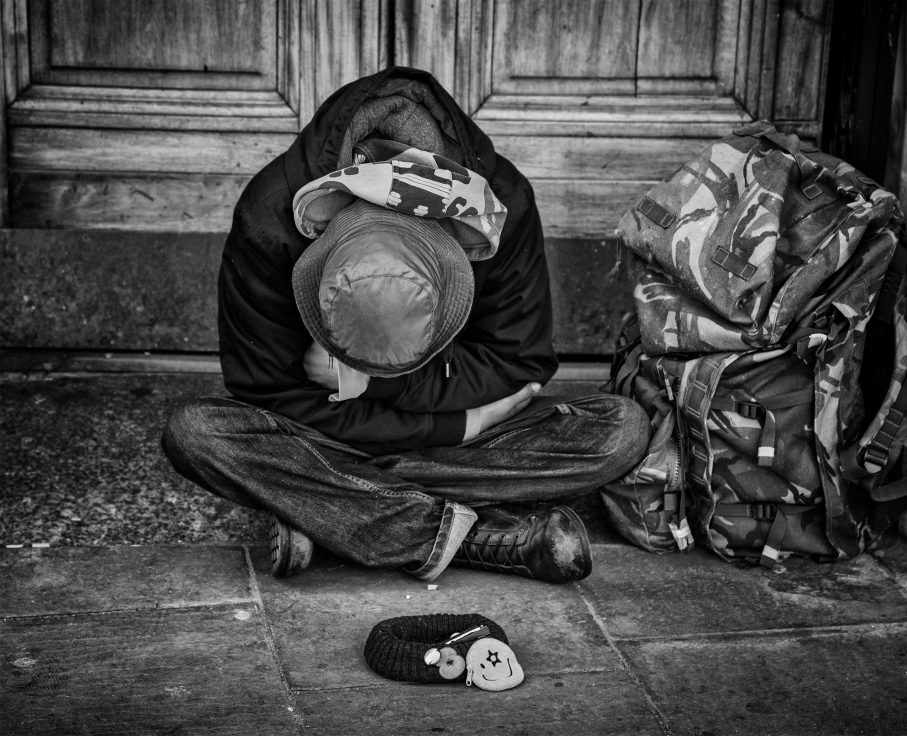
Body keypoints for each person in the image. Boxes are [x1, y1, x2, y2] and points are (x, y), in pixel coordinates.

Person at [162, 67, 649, 584]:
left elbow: (518, 363)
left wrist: (377, 381)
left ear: (457, 248)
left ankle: (333, 508)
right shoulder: (270, 218)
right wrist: (463, 424)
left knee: (619, 430)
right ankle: (463, 534)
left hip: (367, 437)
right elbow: (269, 393)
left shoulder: (499, 205)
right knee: (197, 433)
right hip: (345, 430)